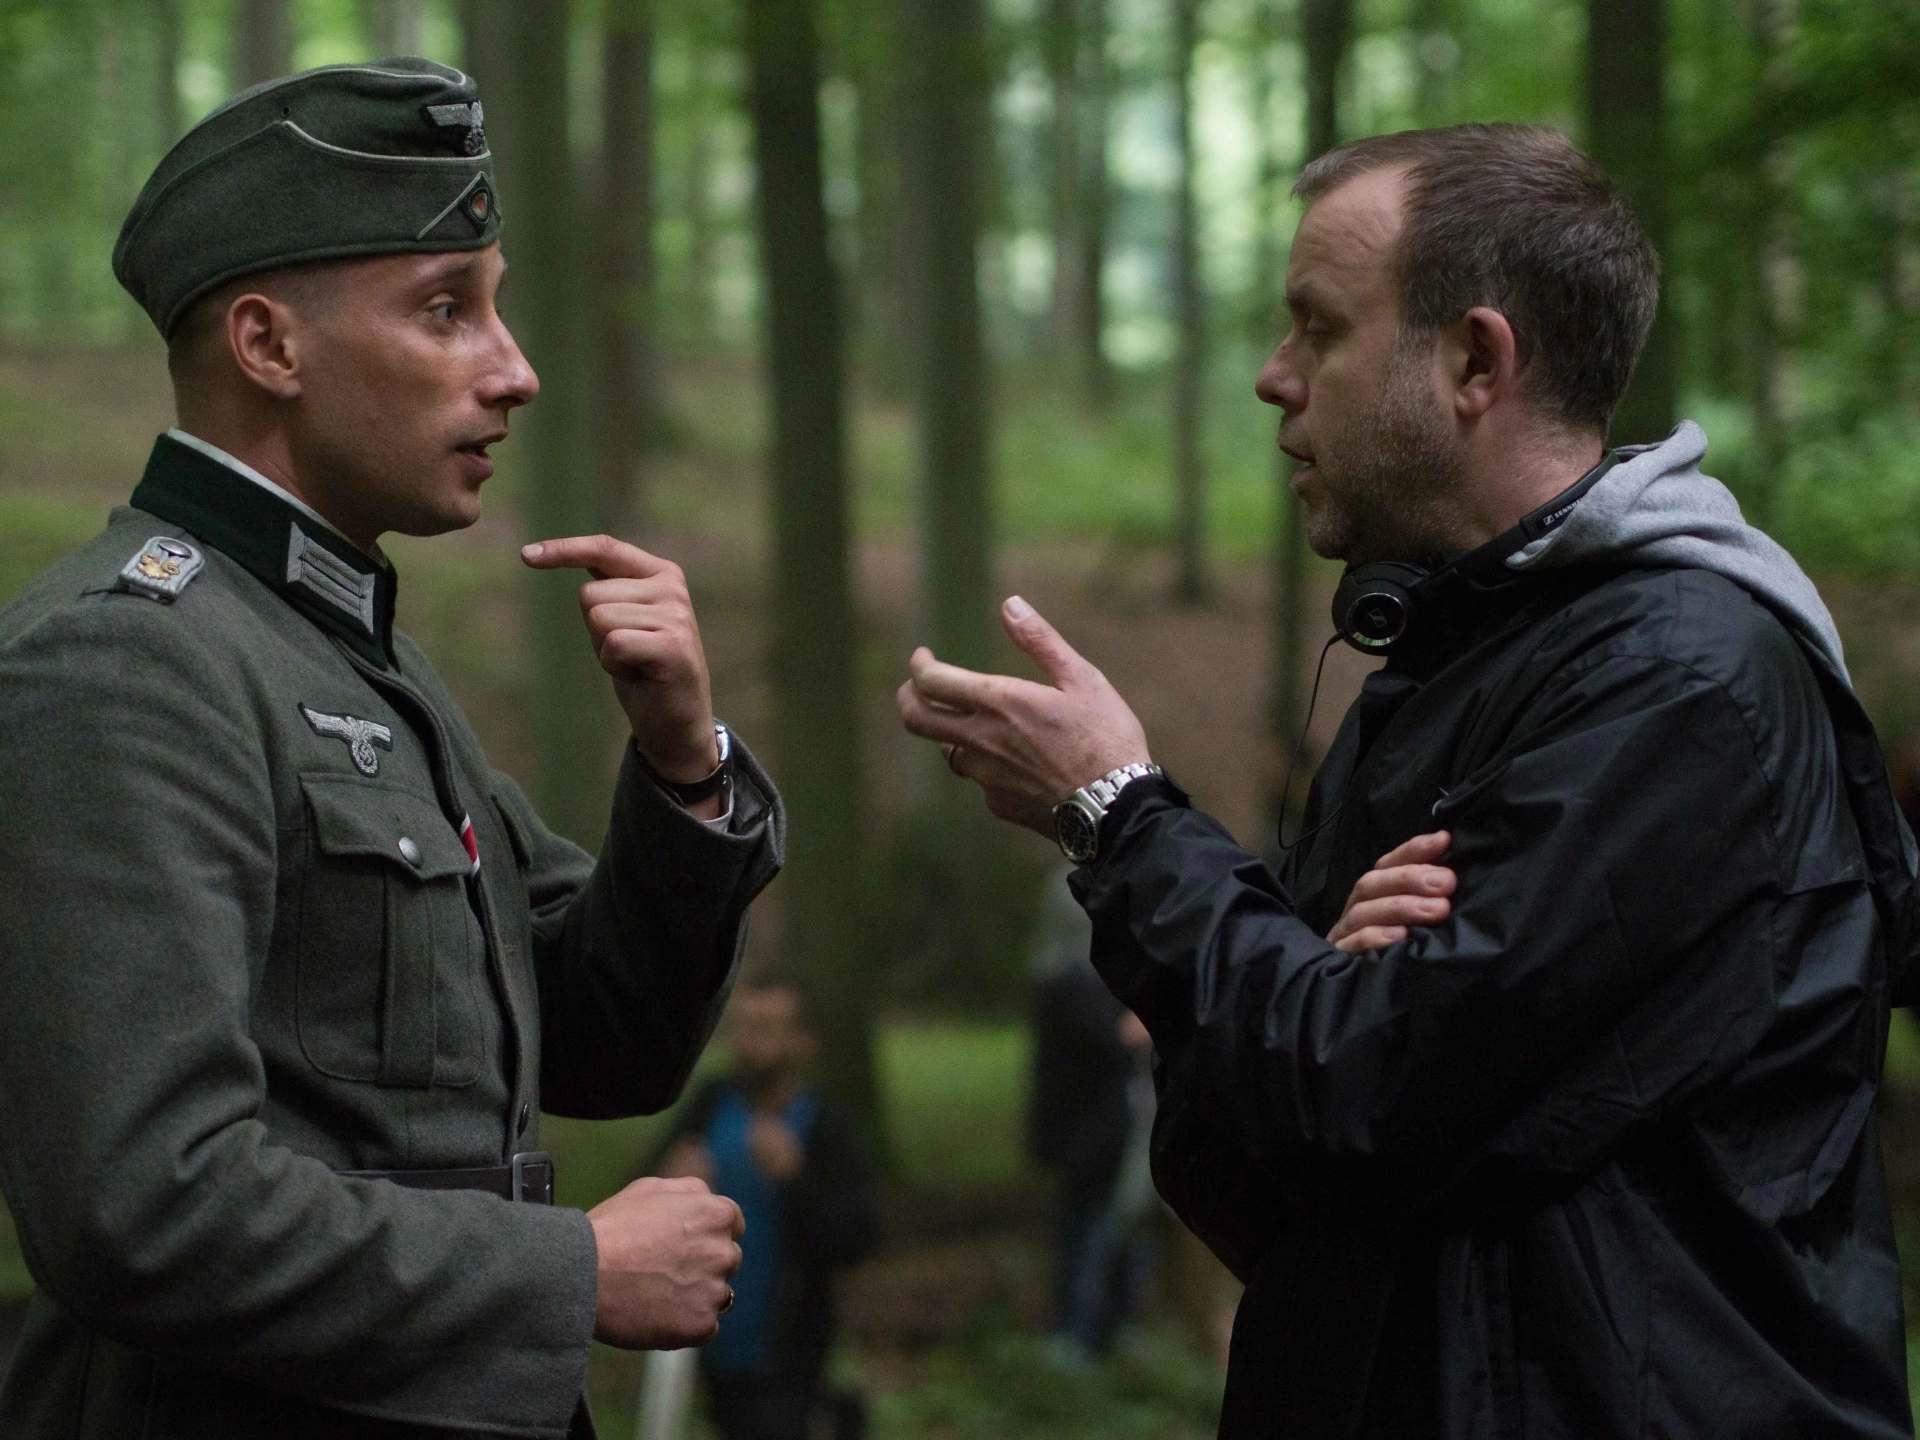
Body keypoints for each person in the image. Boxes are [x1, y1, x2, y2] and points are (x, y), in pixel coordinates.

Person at [896, 122, 1918, 1438]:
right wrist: (1310, 982)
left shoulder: (1681, 682)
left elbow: (1359, 1099)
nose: (1274, 379)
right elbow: (1249, 1161)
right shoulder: (1431, 678)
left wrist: (1121, 812)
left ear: (1474, 361)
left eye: (1317, 329)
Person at [0, 59, 785, 1439]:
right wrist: (572, 1271)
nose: (516, 368)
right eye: (446, 311)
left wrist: (682, 770)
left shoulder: (344, 650)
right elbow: (141, 1204)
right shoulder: (124, 661)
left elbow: (598, 1045)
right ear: (269, 347)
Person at [653, 980, 877, 1440]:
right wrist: (667, 1178)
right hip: (707, 1343)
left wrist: (795, 1180)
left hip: (786, 1352)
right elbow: (636, 1195)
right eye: (743, 1029)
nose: (752, 1044)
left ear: (803, 1040)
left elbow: (856, 1240)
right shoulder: (712, 1104)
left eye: (767, 1029)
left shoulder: (824, 1126)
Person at [1026, 867, 1157, 1355]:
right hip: (1090, 1136)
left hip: (1113, 1133)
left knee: (1122, 1232)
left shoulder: (1081, 980)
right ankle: (1076, 1339)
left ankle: (1110, 1331)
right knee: (1089, 1235)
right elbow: (1116, 1039)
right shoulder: (1065, 984)